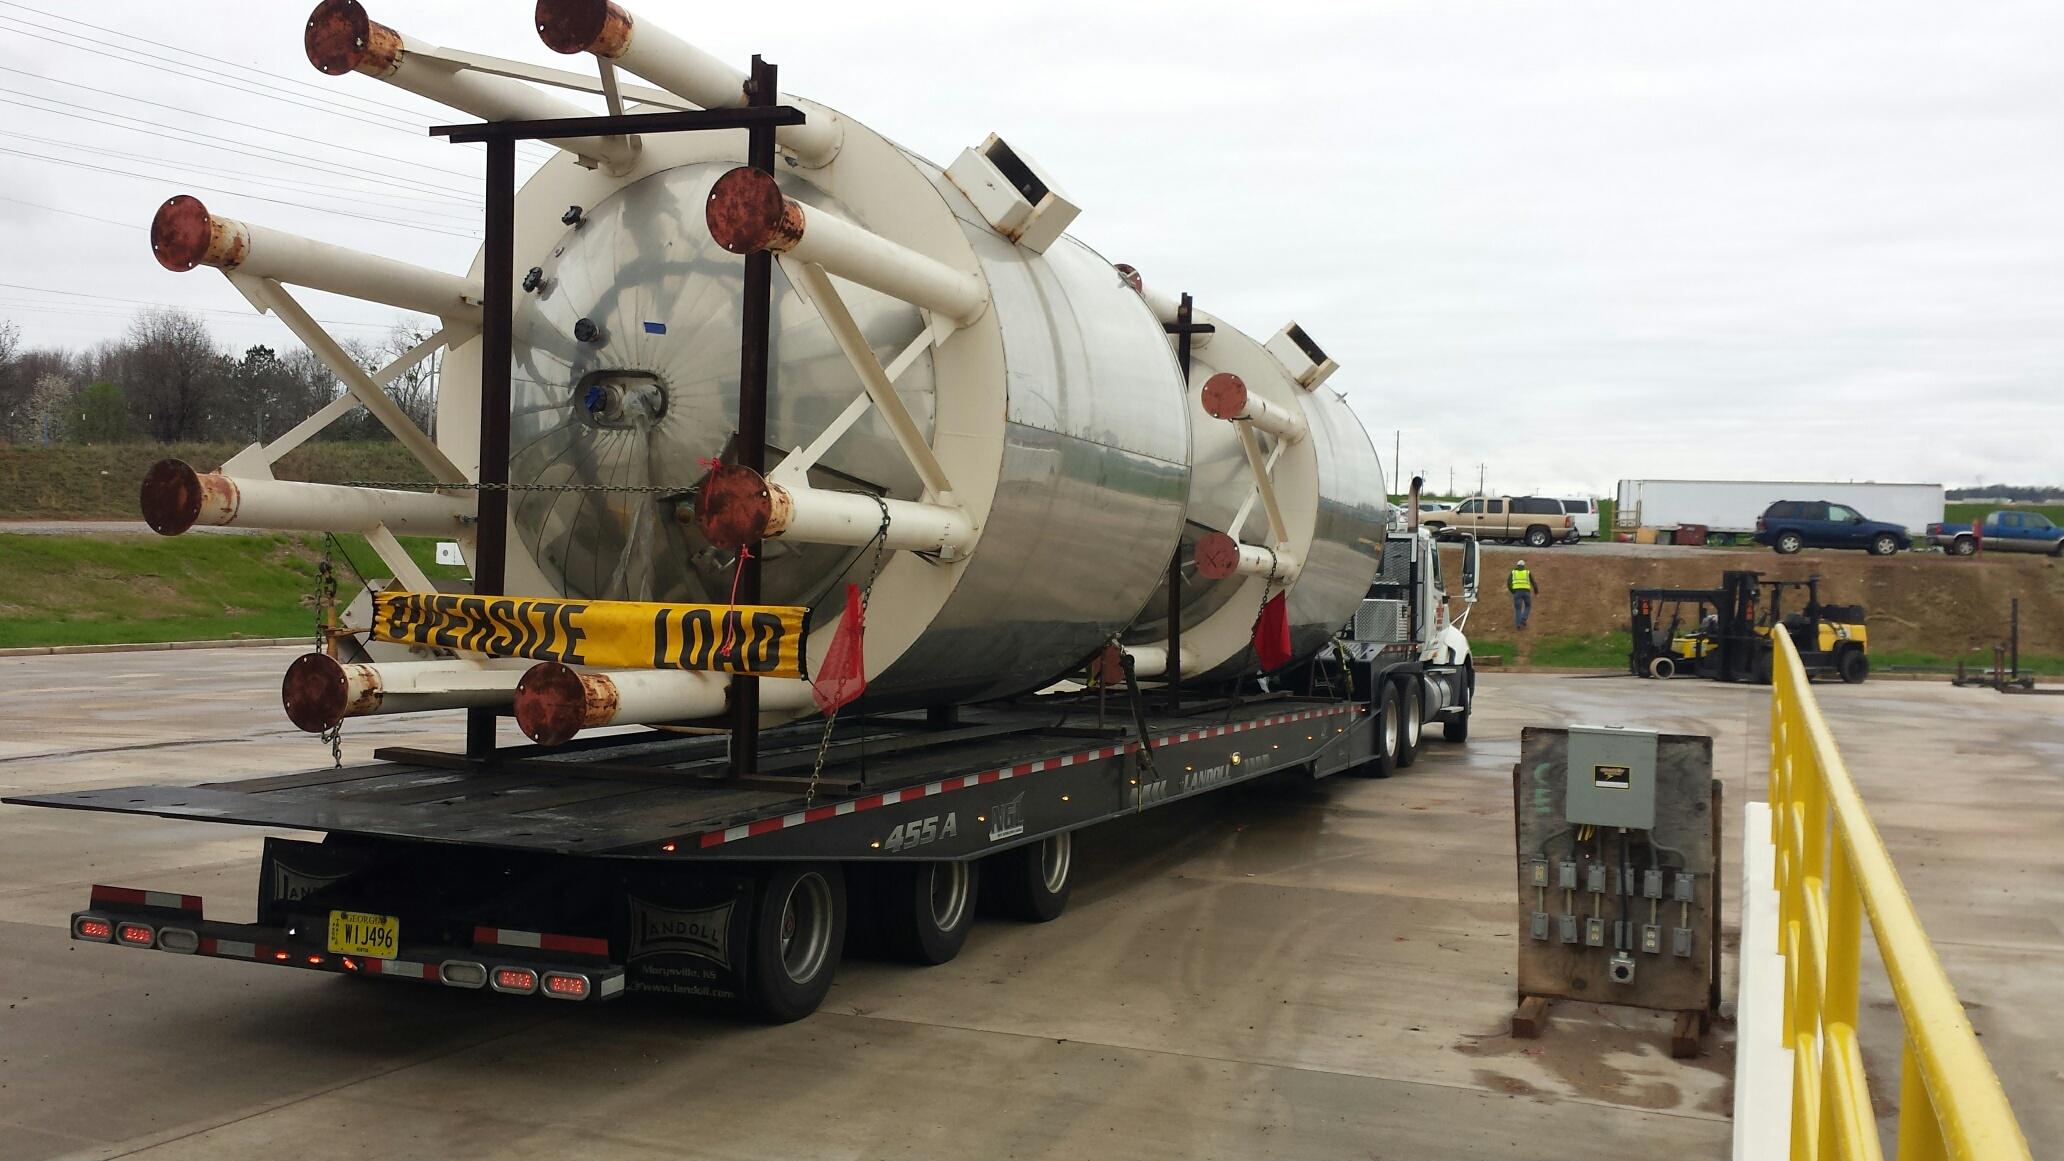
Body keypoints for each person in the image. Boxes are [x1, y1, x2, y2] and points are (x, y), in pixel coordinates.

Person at [1509, 558, 1537, 630]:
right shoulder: (1527, 572)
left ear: (1517, 565)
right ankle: (1524, 619)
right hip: (1526, 592)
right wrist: (1536, 591)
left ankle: (1518, 625)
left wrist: (1513, 591)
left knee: (1518, 609)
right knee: (1528, 606)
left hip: (1517, 592)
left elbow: (1508, 583)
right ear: (1524, 566)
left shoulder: (1513, 572)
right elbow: (1533, 582)